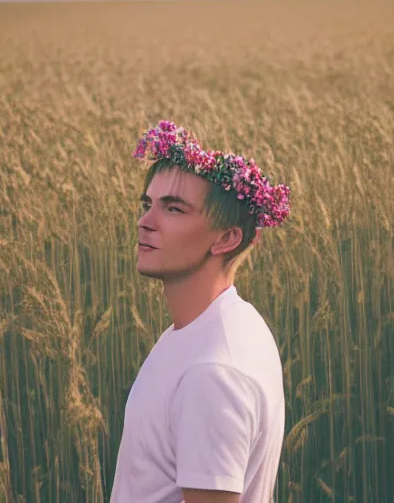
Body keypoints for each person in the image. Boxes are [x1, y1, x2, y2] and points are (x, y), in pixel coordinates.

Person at [110, 120, 291, 503]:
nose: (145, 222)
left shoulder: (211, 373)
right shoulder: (224, 323)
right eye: (147, 204)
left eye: (173, 209)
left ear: (227, 238)